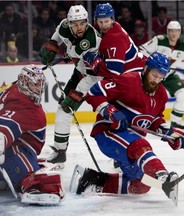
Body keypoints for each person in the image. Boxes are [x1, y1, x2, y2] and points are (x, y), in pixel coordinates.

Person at [72, 51, 184, 201]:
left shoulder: (161, 94)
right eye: (155, 75)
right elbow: (94, 93)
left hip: (132, 146)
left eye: (161, 77)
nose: (157, 80)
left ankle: (89, 181)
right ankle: (163, 176)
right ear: (146, 69)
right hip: (109, 132)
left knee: (141, 184)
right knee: (140, 144)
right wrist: (110, 111)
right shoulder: (128, 81)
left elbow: (155, 119)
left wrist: (170, 134)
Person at [39, 5, 102, 166]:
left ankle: (121, 154)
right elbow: (57, 36)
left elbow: (92, 71)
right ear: (69, 22)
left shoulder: (91, 40)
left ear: (87, 22)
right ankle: (60, 152)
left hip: (95, 78)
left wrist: (78, 93)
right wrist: (51, 47)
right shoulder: (64, 25)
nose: (79, 27)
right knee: (64, 108)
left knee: (107, 114)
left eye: (82, 23)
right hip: (80, 71)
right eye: (75, 24)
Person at [0, 65, 64, 205]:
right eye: (35, 85)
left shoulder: (14, 90)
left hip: (27, 146)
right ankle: (32, 185)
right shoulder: (24, 107)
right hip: (19, 146)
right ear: (23, 81)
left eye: (40, 85)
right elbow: (6, 126)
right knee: (13, 150)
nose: (39, 89)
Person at [140, 21, 184, 130]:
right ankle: (147, 119)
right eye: (171, 31)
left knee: (183, 94)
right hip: (155, 75)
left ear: (180, 32)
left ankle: (175, 122)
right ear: (167, 31)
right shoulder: (159, 40)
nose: (174, 34)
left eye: (176, 31)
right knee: (150, 97)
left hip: (170, 75)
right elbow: (142, 50)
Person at [86, 2, 146, 78]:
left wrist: (94, 63)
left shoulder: (115, 39)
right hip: (135, 66)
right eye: (100, 22)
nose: (103, 25)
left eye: (106, 21)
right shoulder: (112, 26)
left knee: (96, 88)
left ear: (112, 19)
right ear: (96, 20)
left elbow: (114, 72)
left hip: (135, 72)